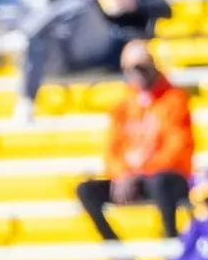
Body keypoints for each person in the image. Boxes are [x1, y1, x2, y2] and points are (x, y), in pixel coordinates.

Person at [14, 0, 170, 120]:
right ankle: (26, 98)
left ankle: (23, 32)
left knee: (76, 4)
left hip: (111, 46)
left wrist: (133, 3)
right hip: (71, 48)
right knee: (60, 14)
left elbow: (164, 9)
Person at [75, 41, 192, 243]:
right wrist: (123, 174)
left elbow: (177, 148)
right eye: (129, 69)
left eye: (141, 67)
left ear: (153, 66)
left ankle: (170, 241)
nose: (136, 74)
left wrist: (141, 173)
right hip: (132, 178)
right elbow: (112, 149)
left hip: (166, 178)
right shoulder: (124, 105)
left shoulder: (174, 100)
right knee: (86, 190)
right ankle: (115, 247)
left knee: (161, 182)